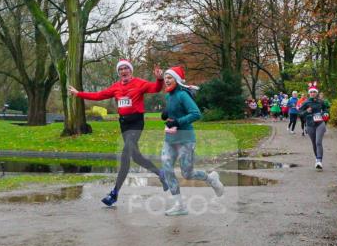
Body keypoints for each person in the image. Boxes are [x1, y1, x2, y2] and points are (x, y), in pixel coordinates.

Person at [68, 59, 167, 206]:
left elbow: (155, 88)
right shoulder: (116, 87)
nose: (123, 71)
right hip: (124, 124)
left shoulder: (139, 83)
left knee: (125, 155)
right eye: (120, 69)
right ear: (118, 73)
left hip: (136, 123)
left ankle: (114, 193)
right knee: (136, 157)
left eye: (126, 68)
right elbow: (99, 95)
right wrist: (78, 94)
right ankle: (161, 173)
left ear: (131, 71)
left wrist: (159, 79)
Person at [160, 66, 224, 216]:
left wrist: (178, 122)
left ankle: (211, 178)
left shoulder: (183, 95)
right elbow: (174, 112)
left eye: (169, 77)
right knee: (166, 167)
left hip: (186, 139)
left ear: (176, 79)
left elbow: (196, 113)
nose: (166, 80)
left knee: (187, 174)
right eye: (165, 78)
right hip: (170, 138)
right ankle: (179, 205)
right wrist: (167, 114)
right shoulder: (169, 96)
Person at [298, 82, 330, 169]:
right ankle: (317, 158)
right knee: (314, 143)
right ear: (309, 93)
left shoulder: (321, 102)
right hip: (310, 124)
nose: (312, 93)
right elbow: (300, 113)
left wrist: (325, 114)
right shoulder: (306, 102)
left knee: (318, 142)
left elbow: (326, 110)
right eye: (311, 92)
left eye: (314, 92)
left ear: (317, 93)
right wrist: (306, 111)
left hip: (320, 123)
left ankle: (319, 161)